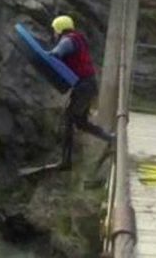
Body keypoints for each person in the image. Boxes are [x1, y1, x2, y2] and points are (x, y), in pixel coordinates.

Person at [49, 15, 114, 171]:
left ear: (59, 29)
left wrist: (46, 56)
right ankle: (111, 138)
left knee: (69, 119)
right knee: (81, 122)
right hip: (89, 85)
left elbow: (56, 54)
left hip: (83, 87)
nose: (54, 34)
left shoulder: (67, 40)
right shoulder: (77, 39)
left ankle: (66, 161)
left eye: (54, 31)